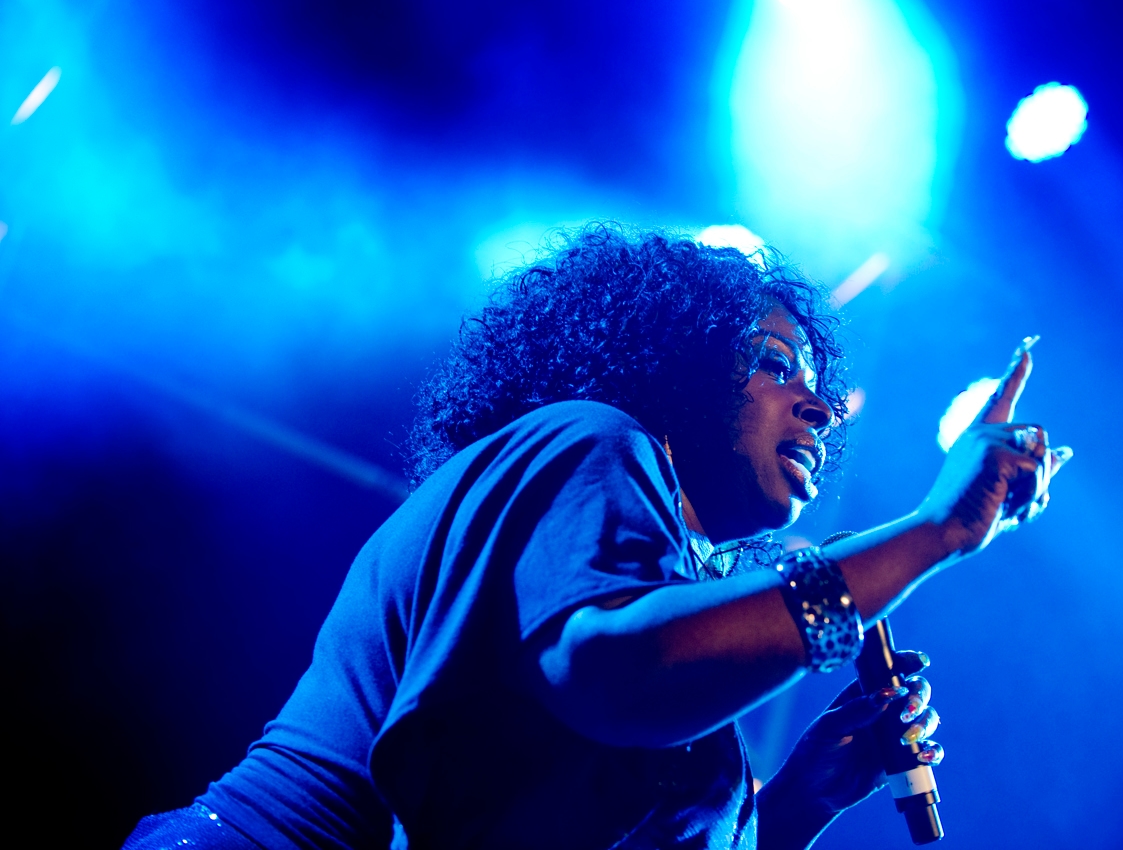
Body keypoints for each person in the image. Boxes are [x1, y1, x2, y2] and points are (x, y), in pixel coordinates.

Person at [123, 223, 1069, 850]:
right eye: (776, 365)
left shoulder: (662, 585)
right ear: (680, 362)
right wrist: (935, 531)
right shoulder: (592, 440)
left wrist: (797, 802)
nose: (818, 404)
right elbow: (616, 673)